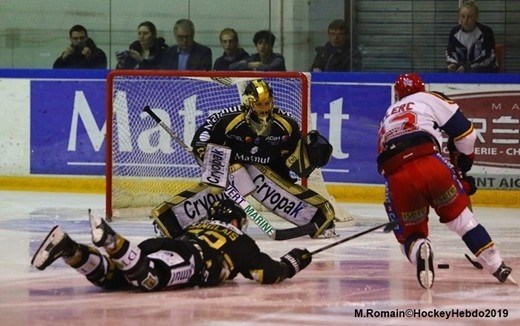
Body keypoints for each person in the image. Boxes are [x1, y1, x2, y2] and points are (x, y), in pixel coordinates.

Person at [376, 73, 514, 289]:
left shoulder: (386, 117)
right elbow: (467, 135)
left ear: (396, 94)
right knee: (463, 220)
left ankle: (421, 246)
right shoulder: (429, 98)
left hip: (397, 177)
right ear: (422, 88)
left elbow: (383, 161)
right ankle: (497, 266)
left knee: (410, 237)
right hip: (431, 164)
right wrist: (462, 166)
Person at [152, 79, 335, 240]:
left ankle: (320, 218)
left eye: (267, 104)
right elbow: (202, 138)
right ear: (248, 103)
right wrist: (207, 157)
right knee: (227, 181)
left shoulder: (286, 125)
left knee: (262, 180)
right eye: (259, 104)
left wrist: (310, 154)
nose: (264, 109)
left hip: (267, 169)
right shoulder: (228, 119)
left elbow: (293, 157)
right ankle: (169, 220)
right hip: (231, 166)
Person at [31, 199, 312, 291]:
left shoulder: (196, 226)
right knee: (151, 278)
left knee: (113, 278)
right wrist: (294, 261)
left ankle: (70, 249)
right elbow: (267, 274)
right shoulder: (243, 241)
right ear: (238, 222)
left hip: (164, 244)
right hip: (193, 258)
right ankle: (111, 241)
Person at [445, 0, 498, 73]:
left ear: (476, 17)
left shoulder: (486, 32)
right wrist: (452, 64)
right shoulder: (454, 32)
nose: (465, 20)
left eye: (469, 17)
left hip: (483, 70)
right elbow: (450, 53)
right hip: (461, 70)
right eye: (463, 16)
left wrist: (469, 67)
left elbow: (488, 57)